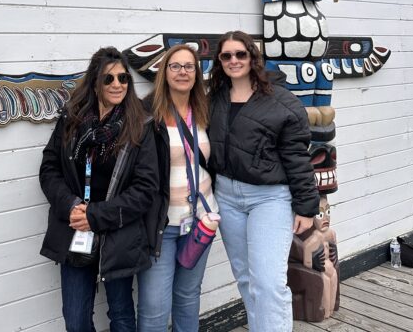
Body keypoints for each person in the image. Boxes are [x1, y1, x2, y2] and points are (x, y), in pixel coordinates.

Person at [39, 47, 158, 332]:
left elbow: (145, 188)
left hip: (118, 235)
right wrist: (71, 206)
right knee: (76, 320)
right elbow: (49, 168)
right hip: (75, 229)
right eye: (109, 79)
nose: (117, 85)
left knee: (121, 315)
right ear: (95, 83)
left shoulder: (140, 125)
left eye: (123, 78)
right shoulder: (72, 120)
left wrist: (96, 215)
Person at [208, 31, 319, 332]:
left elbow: (297, 158)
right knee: (246, 279)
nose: (234, 61)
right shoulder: (213, 99)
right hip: (227, 198)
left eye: (240, 54)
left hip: (269, 198)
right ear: (219, 61)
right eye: (227, 55)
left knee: (268, 283)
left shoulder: (282, 102)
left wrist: (307, 208)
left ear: (253, 57)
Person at [137, 44, 219, 332]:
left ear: (197, 73)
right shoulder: (147, 113)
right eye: (175, 66)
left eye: (189, 66)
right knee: (154, 309)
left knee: (187, 297)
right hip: (162, 225)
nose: (182, 72)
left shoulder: (206, 111)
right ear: (164, 72)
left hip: (201, 221)